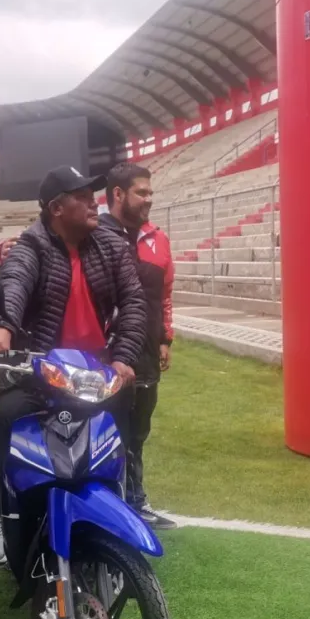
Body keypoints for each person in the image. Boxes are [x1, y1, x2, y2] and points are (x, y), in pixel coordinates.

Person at [0, 165, 147, 566]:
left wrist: (123, 356)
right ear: (56, 208)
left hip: (96, 371)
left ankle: (124, 502)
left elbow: (135, 301)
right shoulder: (30, 246)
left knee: (121, 430)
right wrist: (2, 328)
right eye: (82, 196)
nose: (93, 202)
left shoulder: (110, 242)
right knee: (3, 418)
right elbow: (13, 285)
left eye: (93, 194)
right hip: (39, 369)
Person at [98, 163, 177, 530]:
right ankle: (105, 505)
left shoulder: (157, 239)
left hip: (146, 353)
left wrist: (165, 338)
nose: (149, 199)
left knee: (137, 433)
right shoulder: (95, 235)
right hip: (105, 357)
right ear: (118, 194)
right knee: (106, 431)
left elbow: (164, 294)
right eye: (141, 192)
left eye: (150, 192)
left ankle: (135, 501)